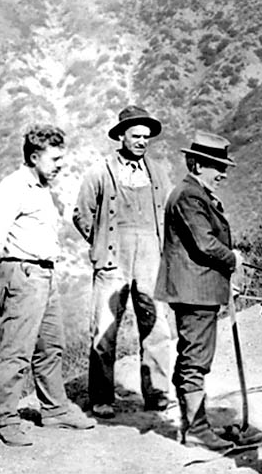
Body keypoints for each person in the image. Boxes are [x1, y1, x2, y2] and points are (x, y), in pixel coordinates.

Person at [0, 125, 97, 446]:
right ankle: (6, 418)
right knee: (16, 351)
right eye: (55, 158)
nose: (60, 164)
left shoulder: (40, 187)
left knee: (50, 347)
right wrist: (0, 276)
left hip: (45, 275)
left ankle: (55, 409)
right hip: (22, 274)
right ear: (34, 156)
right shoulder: (13, 186)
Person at [73, 106, 173, 419]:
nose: (142, 141)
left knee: (156, 326)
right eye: (136, 136)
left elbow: (168, 213)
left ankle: (157, 392)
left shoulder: (158, 173)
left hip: (150, 259)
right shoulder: (100, 172)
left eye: (146, 137)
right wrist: (101, 242)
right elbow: (81, 214)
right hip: (112, 259)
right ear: (121, 136)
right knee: (104, 328)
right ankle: (102, 397)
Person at [154, 131, 242, 451]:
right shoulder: (190, 196)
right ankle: (195, 430)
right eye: (214, 166)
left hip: (199, 288)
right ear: (196, 163)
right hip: (195, 291)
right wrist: (233, 260)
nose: (221, 173)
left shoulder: (196, 194)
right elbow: (205, 244)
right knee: (195, 360)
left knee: (193, 357)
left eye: (223, 167)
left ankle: (198, 424)